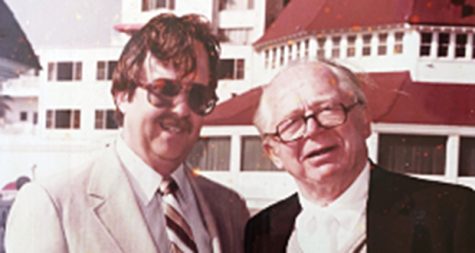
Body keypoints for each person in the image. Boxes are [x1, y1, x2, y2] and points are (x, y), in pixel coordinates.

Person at [5, 13, 249, 253]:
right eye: (165, 89)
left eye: (197, 96)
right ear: (123, 95)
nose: (182, 109)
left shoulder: (229, 209)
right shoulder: (53, 206)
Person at [245, 60, 475, 253]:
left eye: (328, 110)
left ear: (364, 120)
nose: (313, 130)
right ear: (273, 152)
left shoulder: (451, 215)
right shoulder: (261, 231)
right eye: (291, 123)